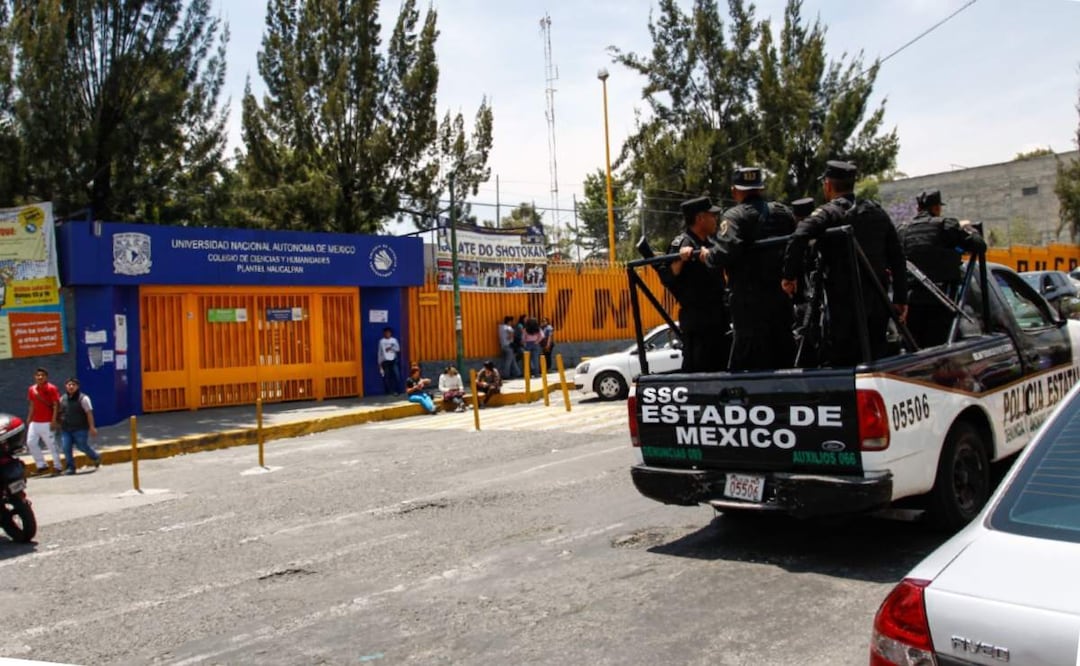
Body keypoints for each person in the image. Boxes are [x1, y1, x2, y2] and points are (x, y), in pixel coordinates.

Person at [781, 160, 908, 366]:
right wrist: (901, 298)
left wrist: (789, 276)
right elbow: (897, 256)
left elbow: (799, 236)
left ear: (828, 185)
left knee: (844, 359)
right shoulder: (877, 212)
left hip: (844, 303)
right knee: (876, 354)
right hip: (878, 301)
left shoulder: (830, 213)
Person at [691, 167, 796, 370]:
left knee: (748, 360)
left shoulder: (735, 216)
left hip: (749, 303)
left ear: (735, 191)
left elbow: (725, 251)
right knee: (783, 353)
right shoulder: (782, 212)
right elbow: (796, 245)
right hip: (780, 297)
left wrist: (707, 256)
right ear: (760, 189)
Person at [898, 189, 987, 347]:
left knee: (916, 348)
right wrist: (969, 229)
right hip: (942, 301)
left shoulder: (903, 230)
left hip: (912, 303)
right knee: (942, 347)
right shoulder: (945, 225)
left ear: (918, 209)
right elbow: (979, 246)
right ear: (936, 208)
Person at [665, 196, 730, 372]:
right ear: (700, 218)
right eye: (712, 215)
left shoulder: (711, 243)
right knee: (698, 371)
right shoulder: (684, 242)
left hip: (718, 318)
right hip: (699, 322)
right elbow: (668, 276)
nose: (715, 219)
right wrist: (681, 259)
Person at [58, 377, 103, 475]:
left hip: (80, 428)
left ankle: (95, 457)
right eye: (69, 385)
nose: (71, 387)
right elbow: (60, 412)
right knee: (66, 447)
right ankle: (70, 467)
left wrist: (92, 427)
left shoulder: (83, 398)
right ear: (66, 386)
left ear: (77, 387)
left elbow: (89, 413)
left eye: (73, 385)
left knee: (82, 446)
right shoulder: (62, 399)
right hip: (66, 429)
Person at [25, 367, 64, 475]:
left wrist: (53, 421)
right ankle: (41, 465)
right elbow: (32, 405)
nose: (40, 377)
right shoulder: (32, 389)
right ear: (35, 377)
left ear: (46, 377)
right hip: (35, 422)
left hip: (47, 422)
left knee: (51, 445)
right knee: (31, 443)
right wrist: (29, 418)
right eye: (38, 375)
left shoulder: (51, 388)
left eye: (42, 375)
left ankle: (58, 467)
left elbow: (56, 405)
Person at [377, 327, 402, 395]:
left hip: (393, 359)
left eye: (388, 332)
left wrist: (391, 348)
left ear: (391, 333)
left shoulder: (394, 340)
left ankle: (398, 390)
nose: (387, 334)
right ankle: (388, 391)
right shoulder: (381, 341)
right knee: (387, 376)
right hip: (385, 361)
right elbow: (380, 352)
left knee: (396, 375)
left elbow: (398, 349)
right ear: (384, 333)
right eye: (386, 332)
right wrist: (379, 362)